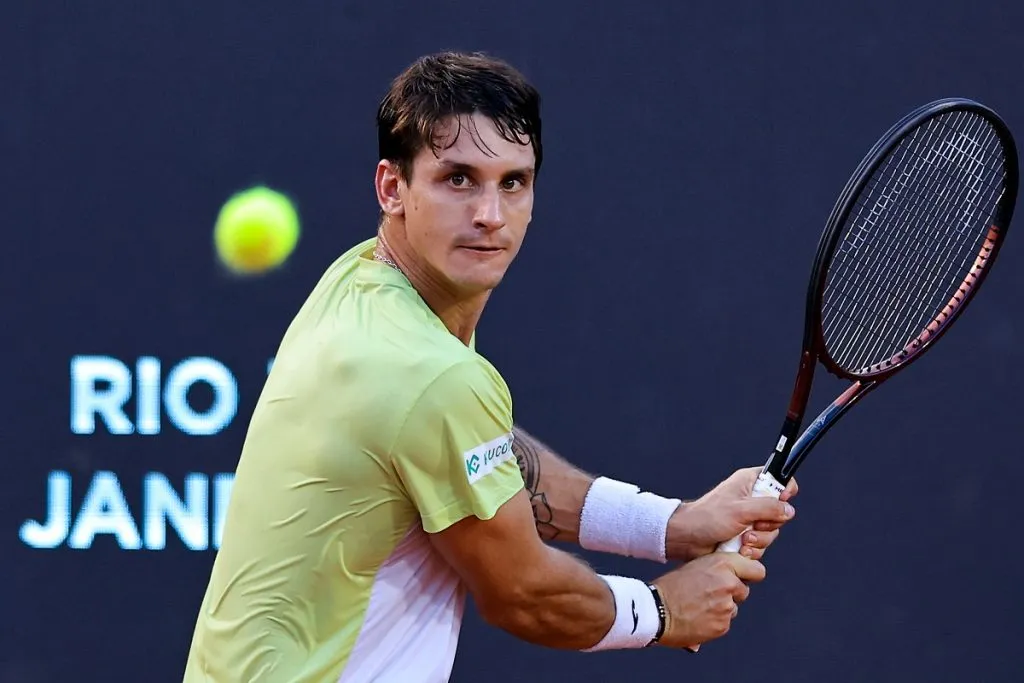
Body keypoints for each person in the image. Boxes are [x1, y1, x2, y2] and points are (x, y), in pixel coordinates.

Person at [182, 51, 798, 683]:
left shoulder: (361, 282)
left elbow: (482, 457)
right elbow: (523, 594)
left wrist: (669, 525)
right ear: (392, 188)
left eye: (513, 182)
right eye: (458, 179)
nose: (490, 215)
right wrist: (664, 609)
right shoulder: (426, 373)